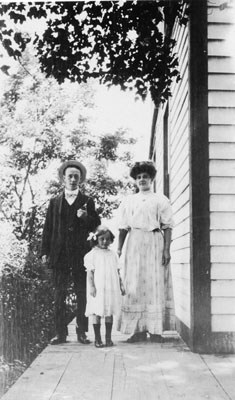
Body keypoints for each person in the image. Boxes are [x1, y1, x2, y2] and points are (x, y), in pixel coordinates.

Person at [41, 160, 100, 345]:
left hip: (80, 253)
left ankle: (82, 331)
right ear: (63, 179)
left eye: (76, 176)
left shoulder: (87, 201)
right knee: (59, 293)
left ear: (80, 179)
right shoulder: (54, 202)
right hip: (59, 255)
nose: (73, 179)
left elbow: (96, 226)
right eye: (70, 176)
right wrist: (45, 252)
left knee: (81, 292)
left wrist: (85, 218)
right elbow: (48, 228)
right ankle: (60, 333)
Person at [116, 161, 175, 343]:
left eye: (145, 177)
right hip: (134, 243)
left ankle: (156, 331)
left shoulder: (160, 199)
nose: (142, 180)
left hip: (154, 242)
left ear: (151, 179)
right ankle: (138, 330)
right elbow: (123, 228)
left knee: (154, 283)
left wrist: (166, 249)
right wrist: (119, 248)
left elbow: (167, 226)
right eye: (139, 177)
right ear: (135, 180)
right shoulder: (128, 201)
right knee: (134, 285)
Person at [85, 225, 125, 348]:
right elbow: (90, 272)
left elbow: (117, 272)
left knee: (109, 312)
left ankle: (108, 338)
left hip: (111, 287)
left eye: (107, 239)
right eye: (102, 239)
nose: (104, 241)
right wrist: (92, 286)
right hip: (98, 287)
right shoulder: (92, 254)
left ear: (111, 240)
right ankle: (98, 339)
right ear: (96, 239)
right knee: (97, 311)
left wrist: (121, 285)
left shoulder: (113, 254)